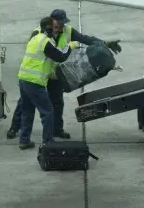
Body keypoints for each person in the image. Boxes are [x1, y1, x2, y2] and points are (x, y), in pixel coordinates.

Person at [7, 9, 122, 140]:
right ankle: (15, 127)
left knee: (57, 102)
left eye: (62, 24)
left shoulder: (67, 31)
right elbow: (39, 55)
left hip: (55, 74)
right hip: (39, 74)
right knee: (25, 103)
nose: (61, 28)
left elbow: (86, 39)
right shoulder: (39, 33)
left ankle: (57, 130)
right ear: (50, 23)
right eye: (58, 25)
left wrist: (104, 43)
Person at [17, 16, 80, 149]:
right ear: (48, 28)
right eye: (54, 27)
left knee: (27, 111)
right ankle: (48, 142)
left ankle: (24, 140)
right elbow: (60, 56)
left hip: (23, 78)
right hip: (35, 82)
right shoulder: (45, 41)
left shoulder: (35, 38)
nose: (56, 30)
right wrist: (70, 46)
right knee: (48, 112)